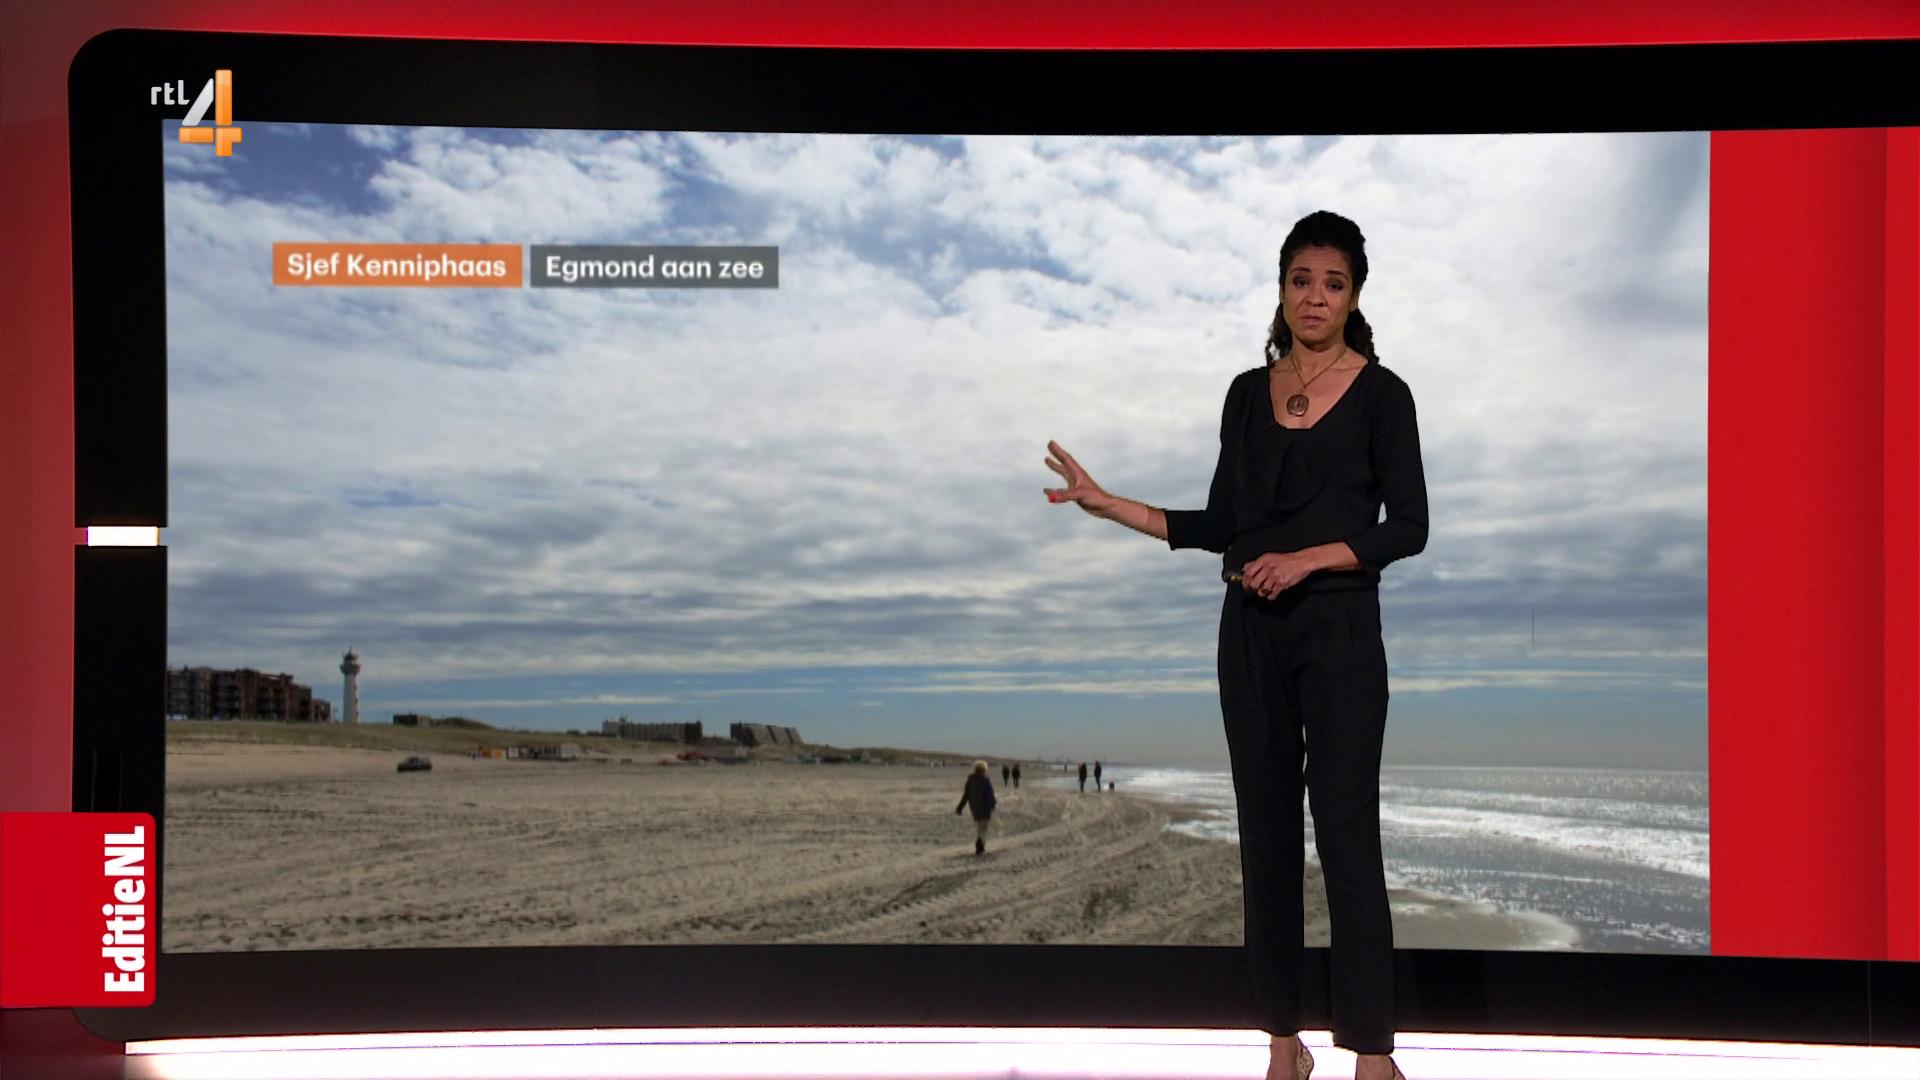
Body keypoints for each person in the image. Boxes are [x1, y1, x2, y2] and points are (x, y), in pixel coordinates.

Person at [1042, 210, 1424, 1080]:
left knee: (1347, 836)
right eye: (1301, 280)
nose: (1315, 296)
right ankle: (1283, 1044)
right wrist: (1110, 504)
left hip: (1340, 633)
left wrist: (1307, 560)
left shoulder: (1384, 394)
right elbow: (1223, 523)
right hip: (1248, 635)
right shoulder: (1246, 394)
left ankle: (1372, 1054)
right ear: (1282, 289)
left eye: (1333, 283)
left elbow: (1408, 526)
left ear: (1354, 296)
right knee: (1266, 836)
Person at [955, 760, 998, 855]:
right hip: (985, 807)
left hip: (974, 807)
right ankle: (980, 845)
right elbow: (990, 794)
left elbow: (966, 795)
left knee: (980, 826)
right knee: (983, 827)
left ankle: (981, 846)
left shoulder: (970, 780)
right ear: (983, 770)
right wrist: (993, 805)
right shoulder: (985, 780)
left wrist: (960, 807)